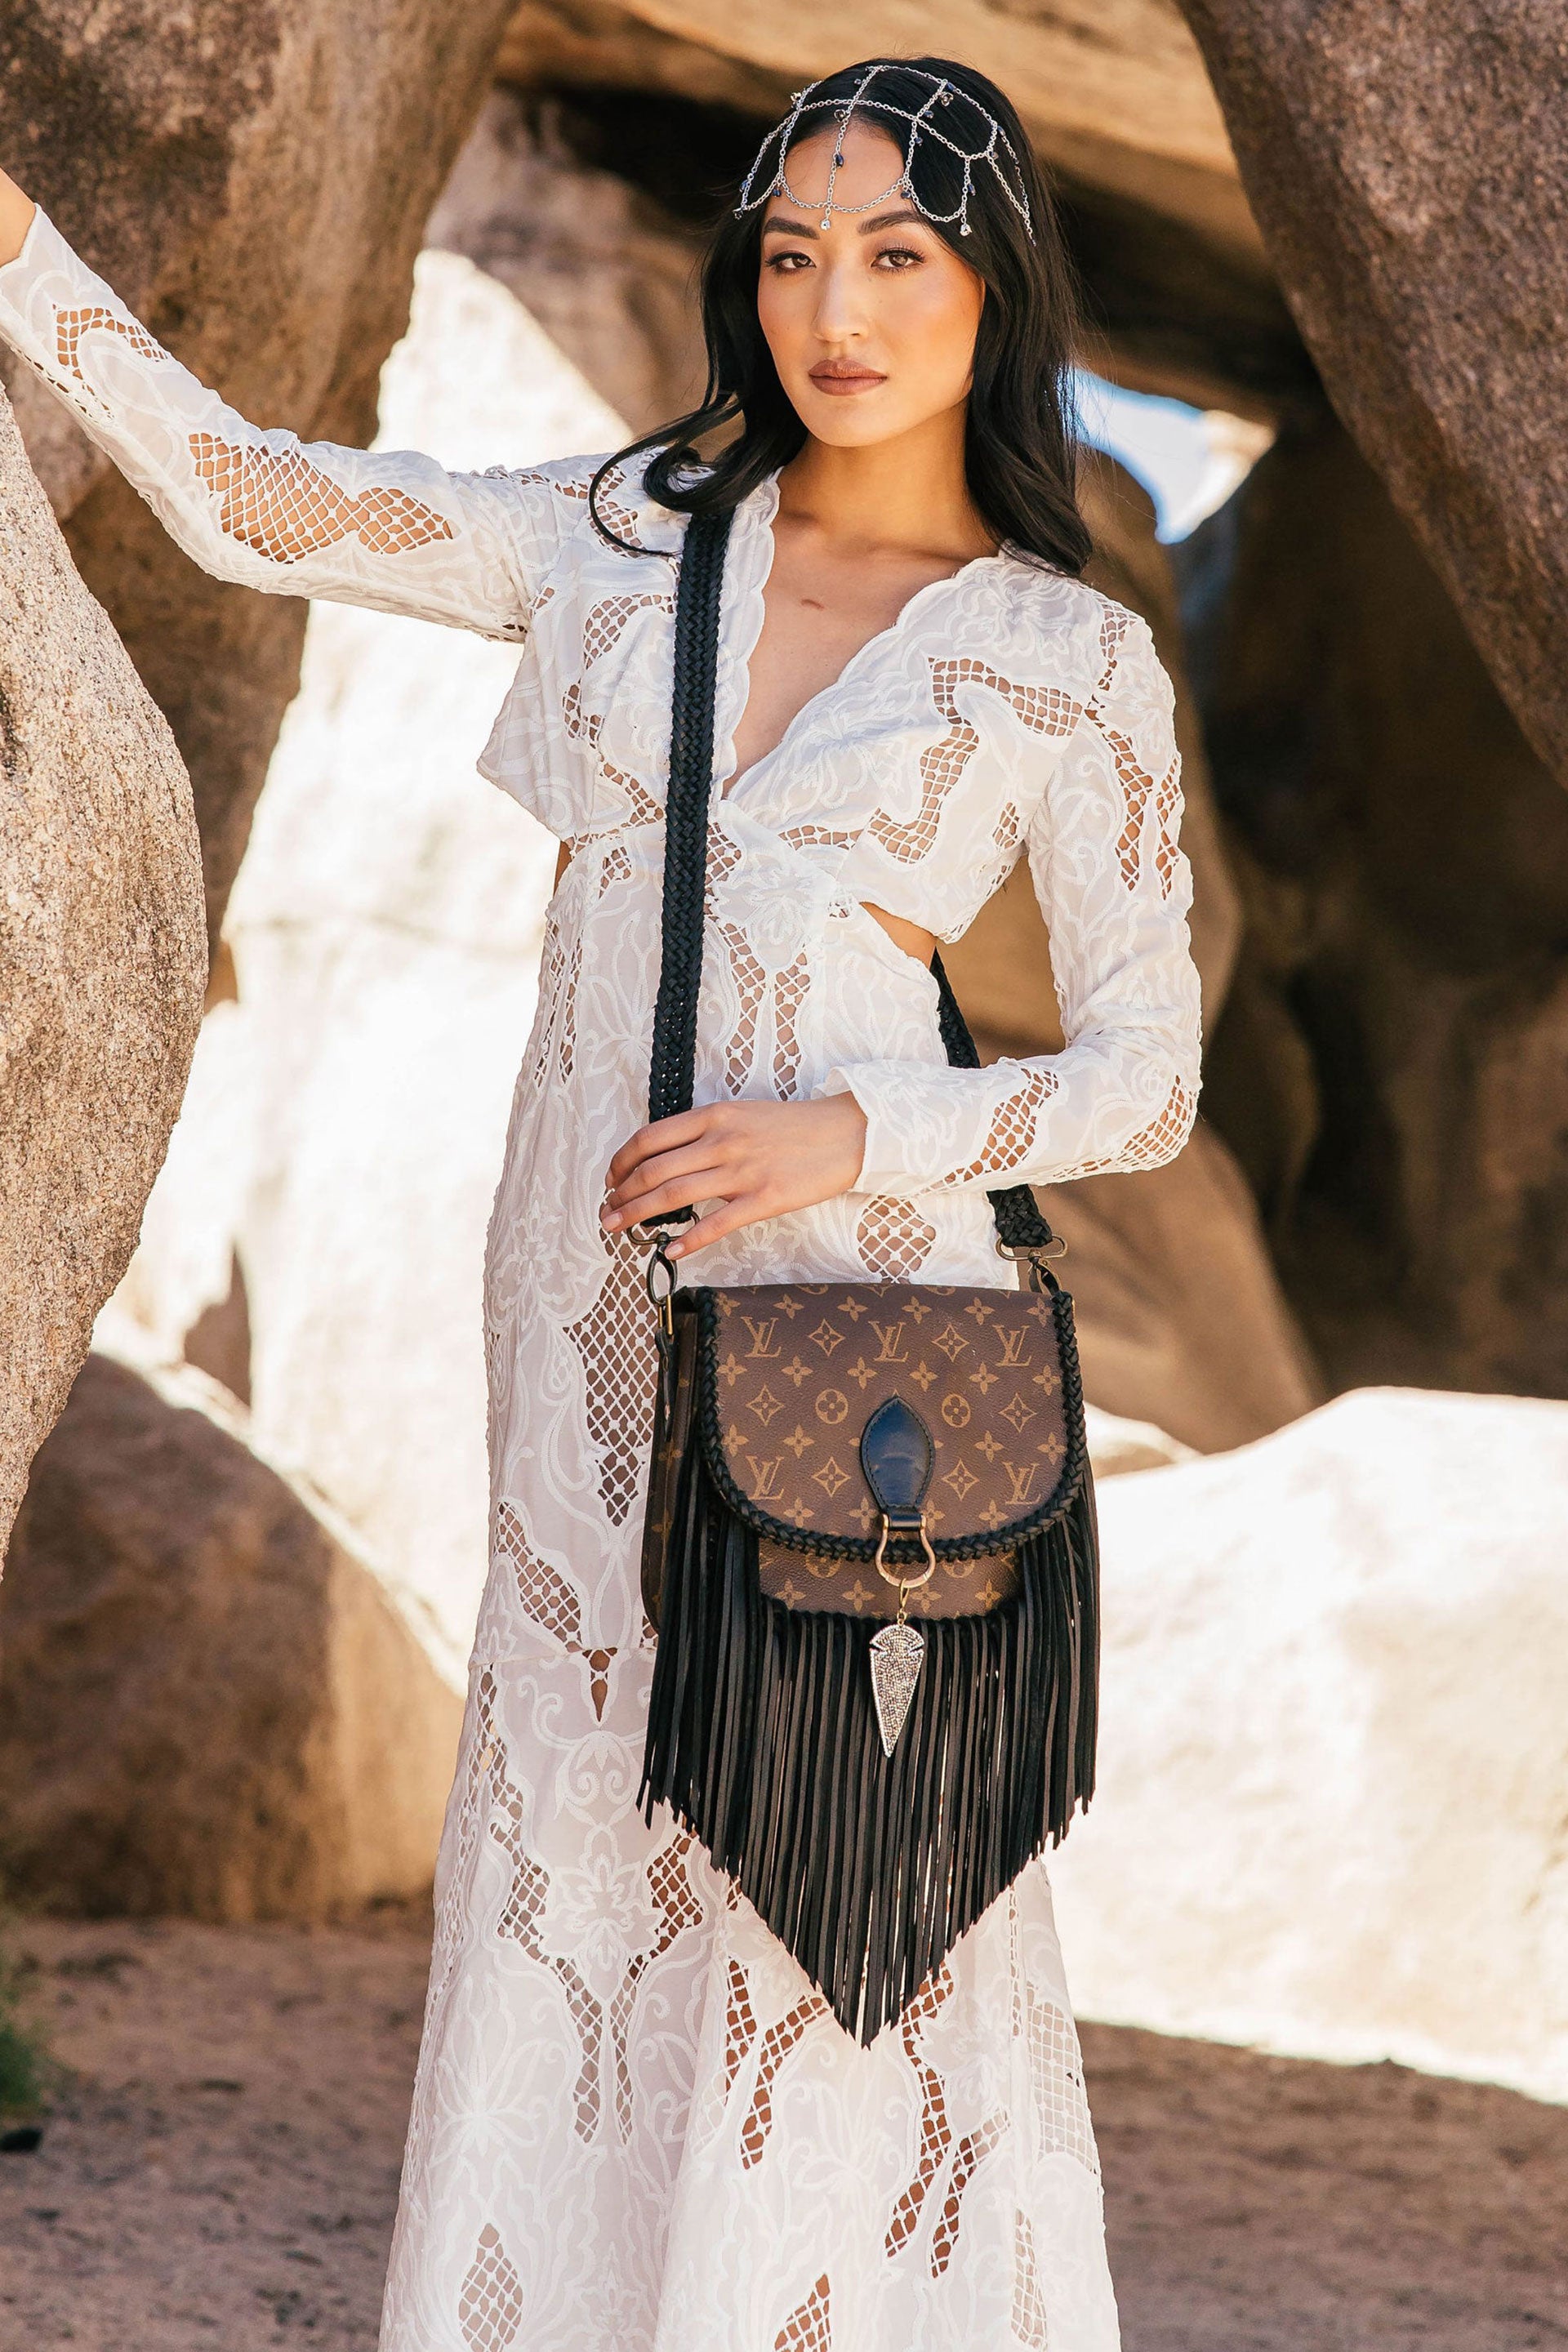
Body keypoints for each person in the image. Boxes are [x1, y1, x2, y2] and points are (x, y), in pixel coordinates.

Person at [0, 56, 1200, 2352]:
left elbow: (1149, 1082)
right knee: (579, 1804)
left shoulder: (1066, 653)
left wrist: (853, 1139)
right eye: (794, 254)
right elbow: (251, 504)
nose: (837, 308)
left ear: (994, 286)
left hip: (863, 1311)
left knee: (832, 1866)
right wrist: (21, 257)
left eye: (899, 254)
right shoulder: (623, 534)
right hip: (591, 1285)